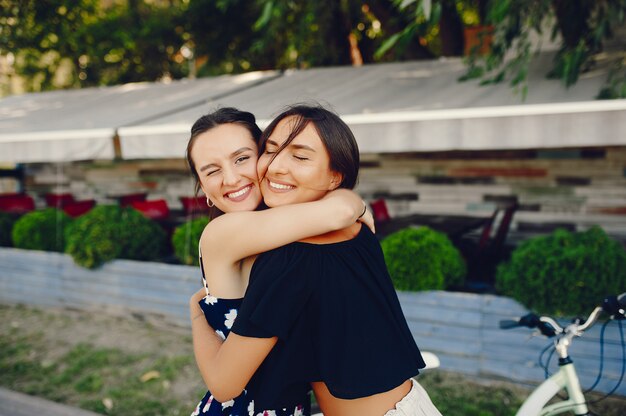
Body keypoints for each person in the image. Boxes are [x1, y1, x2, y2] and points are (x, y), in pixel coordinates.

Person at [189, 104, 442, 416]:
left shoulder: (301, 242)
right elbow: (338, 209)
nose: (231, 178)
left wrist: (350, 202)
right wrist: (352, 202)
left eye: (243, 158)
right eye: (211, 170)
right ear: (203, 187)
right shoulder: (235, 235)